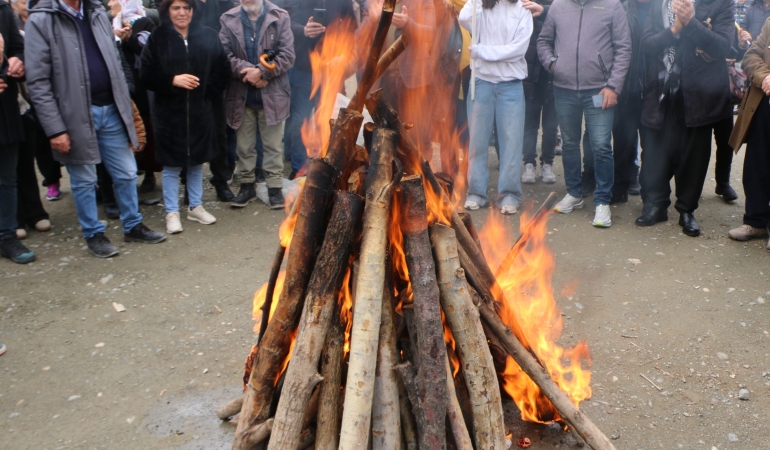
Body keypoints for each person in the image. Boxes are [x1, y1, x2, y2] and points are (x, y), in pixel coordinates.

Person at [25, 0, 167, 258]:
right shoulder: (41, 20)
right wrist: (55, 129)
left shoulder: (97, 13)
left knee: (126, 172)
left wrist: (125, 101)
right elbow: (37, 82)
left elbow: (115, 59)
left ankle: (132, 225)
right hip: (74, 114)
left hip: (110, 108)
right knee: (84, 180)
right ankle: (93, 233)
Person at [635, 0, 734, 237]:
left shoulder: (720, 4)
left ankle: (687, 210)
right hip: (660, 92)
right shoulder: (661, 4)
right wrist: (675, 30)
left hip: (698, 95)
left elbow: (723, 47)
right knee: (654, 153)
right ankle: (656, 205)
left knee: (693, 156)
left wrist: (690, 23)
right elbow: (647, 45)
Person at [537, 0, 632, 227]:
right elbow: (543, 41)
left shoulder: (612, 6)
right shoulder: (559, 6)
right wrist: (553, 64)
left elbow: (624, 48)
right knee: (569, 143)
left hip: (599, 89)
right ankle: (574, 193)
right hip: (564, 89)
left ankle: (602, 201)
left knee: (601, 145)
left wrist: (613, 86)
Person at [140, 0, 230, 233]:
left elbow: (223, 70)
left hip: (200, 112)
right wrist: (171, 80)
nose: (182, 13)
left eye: (186, 7)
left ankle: (195, 206)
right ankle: (171, 212)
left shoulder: (209, 36)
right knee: (171, 165)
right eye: (176, 8)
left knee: (197, 162)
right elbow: (146, 74)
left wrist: (205, 95)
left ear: (193, 10)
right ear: (167, 11)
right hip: (168, 114)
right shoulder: (157, 37)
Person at [459, 0, 533, 214]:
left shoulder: (521, 8)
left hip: (511, 85)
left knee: (511, 142)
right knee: (477, 141)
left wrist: (482, 51)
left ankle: (509, 193)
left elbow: (518, 50)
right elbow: (464, 18)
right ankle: (476, 191)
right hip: (481, 82)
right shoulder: (480, 6)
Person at [220, 0, 295, 209]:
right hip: (240, 94)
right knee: (244, 146)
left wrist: (262, 73)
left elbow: (288, 56)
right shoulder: (228, 19)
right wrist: (250, 72)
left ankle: (274, 187)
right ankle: (246, 186)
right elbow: (224, 56)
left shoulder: (280, 17)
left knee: (273, 146)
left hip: (272, 94)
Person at [580, 0, 648, 204]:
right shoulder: (619, 5)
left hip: (635, 83)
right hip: (603, 79)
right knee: (593, 131)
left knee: (627, 135)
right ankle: (590, 174)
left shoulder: (660, 7)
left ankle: (626, 177)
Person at [281, 0, 356, 180]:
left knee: (328, 118)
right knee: (300, 119)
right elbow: (285, 23)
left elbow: (353, 28)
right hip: (302, 67)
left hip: (331, 69)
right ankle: (299, 168)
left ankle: (325, 163)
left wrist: (343, 54)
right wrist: (303, 30)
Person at [727, 17, 770, 248]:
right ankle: (756, 221)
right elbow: (751, 55)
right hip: (763, 106)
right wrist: (765, 76)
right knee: (756, 164)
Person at [377, 0, 435, 162]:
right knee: (388, 137)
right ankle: (394, 181)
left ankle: (423, 179)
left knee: (418, 137)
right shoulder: (377, 2)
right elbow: (359, 38)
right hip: (384, 80)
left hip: (415, 79)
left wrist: (408, 23)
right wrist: (372, 19)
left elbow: (430, 32)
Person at [1, 3, 36, 263]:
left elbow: (17, 47)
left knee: (6, 178)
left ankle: (6, 236)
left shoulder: (3, 10)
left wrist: (17, 60)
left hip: (4, 109)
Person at [520, 0, 557, 186]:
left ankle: (547, 163)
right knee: (530, 123)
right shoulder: (525, 5)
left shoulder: (558, 6)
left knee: (551, 125)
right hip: (530, 73)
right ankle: (528, 163)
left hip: (553, 74)